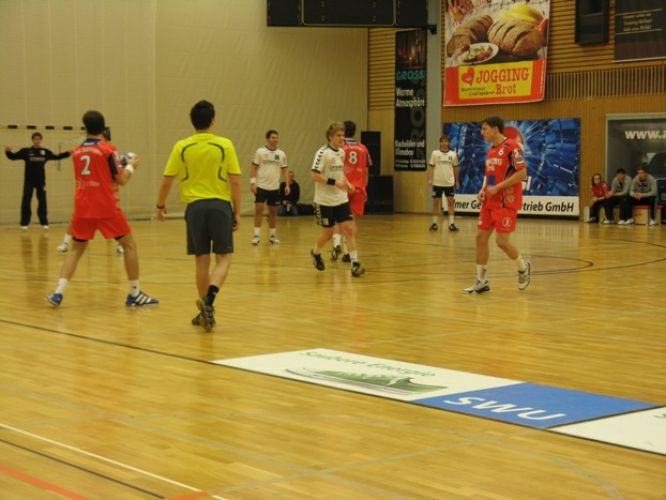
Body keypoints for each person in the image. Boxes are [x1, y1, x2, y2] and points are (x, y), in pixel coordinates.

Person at [46, 111, 158, 308]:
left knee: (76, 249)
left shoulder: (77, 152)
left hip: (82, 206)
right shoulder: (108, 149)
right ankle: (135, 294)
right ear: (103, 128)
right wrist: (131, 166)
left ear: (85, 128)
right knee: (129, 245)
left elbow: (94, 175)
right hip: (105, 206)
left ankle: (57, 293)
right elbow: (121, 180)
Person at [156, 100, 241, 332]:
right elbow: (235, 181)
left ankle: (205, 310)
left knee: (202, 260)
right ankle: (209, 302)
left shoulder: (182, 147)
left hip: (194, 209)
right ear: (213, 120)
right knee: (223, 258)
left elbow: (167, 181)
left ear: (192, 122)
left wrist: (160, 205)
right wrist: (237, 211)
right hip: (220, 206)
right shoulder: (225, 145)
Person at [464, 116, 531, 294]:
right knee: (480, 238)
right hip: (490, 201)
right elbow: (490, 176)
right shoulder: (491, 151)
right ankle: (481, 281)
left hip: (506, 202)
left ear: (495, 129)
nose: (482, 132)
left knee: (501, 242)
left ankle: (523, 267)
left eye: (484, 128)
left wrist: (498, 188)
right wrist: (483, 189)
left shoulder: (512, 147)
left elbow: (522, 173)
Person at [310, 122, 365, 277]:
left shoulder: (341, 152)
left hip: (341, 198)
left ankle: (355, 263)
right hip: (324, 200)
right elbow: (314, 175)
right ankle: (315, 252)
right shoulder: (323, 153)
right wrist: (335, 183)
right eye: (338, 135)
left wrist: (347, 183)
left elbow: (340, 173)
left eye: (343, 135)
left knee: (349, 229)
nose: (342, 138)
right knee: (327, 234)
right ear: (330, 137)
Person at [5, 132, 71, 229]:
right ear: (32, 140)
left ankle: (44, 222)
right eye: (35, 139)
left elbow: (57, 156)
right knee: (26, 200)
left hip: (40, 181)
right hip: (29, 181)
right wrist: (8, 152)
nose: (37, 140)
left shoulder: (45, 152)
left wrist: (68, 153)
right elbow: (13, 157)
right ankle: (24, 223)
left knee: (42, 201)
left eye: (39, 139)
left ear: (41, 140)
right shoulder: (26, 151)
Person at [330, 120, 372, 262]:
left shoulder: (340, 147)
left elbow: (335, 168)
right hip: (359, 188)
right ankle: (349, 252)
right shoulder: (363, 148)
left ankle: (337, 245)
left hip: (343, 187)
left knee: (337, 217)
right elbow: (366, 171)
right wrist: (364, 189)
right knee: (351, 219)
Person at [250, 129, 288, 245]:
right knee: (259, 209)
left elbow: (285, 170)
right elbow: (253, 168)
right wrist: (253, 183)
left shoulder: (281, 154)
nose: (275, 140)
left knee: (273, 212)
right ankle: (256, 235)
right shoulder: (260, 152)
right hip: (261, 186)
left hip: (274, 187)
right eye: (273, 137)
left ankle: (272, 235)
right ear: (267, 139)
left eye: (277, 137)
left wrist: (287, 185)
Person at [427, 134, 460, 231]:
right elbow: (431, 167)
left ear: (449, 143)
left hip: (449, 183)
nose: (444, 143)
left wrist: (457, 181)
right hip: (437, 183)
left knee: (450, 203)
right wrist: (430, 179)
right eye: (443, 141)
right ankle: (434, 223)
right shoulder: (435, 154)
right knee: (435, 203)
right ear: (440, 143)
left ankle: (451, 224)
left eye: (446, 141)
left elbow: (456, 168)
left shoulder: (453, 154)